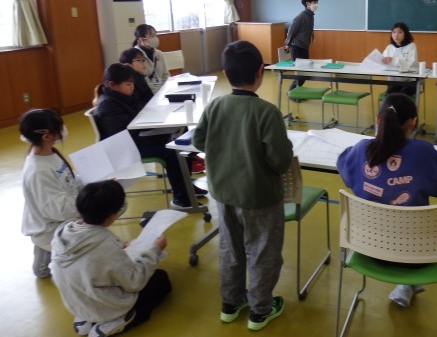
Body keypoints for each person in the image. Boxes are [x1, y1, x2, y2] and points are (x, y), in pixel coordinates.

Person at [193, 41, 293, 331]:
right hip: (260, 197)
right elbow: (280, 161)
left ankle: (230, 303)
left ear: (225, 73)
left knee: (230, 249)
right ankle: (260, 310)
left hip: (223, 194)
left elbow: (199, 141)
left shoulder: (216, 105)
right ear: (260, 71)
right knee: (263, 253)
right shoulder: (267, 112)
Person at [337, 93, 437, 308]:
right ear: (413, 122)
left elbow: (345, 168)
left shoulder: (361, 150)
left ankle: (406, 286)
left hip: (368, 249)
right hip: (418, 255)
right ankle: (406, 284)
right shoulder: (422, 153)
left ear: (378, 120)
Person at [51, 180, 171, 337]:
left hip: (76, 302)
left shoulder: (63, 233)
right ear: (112, 216)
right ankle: (118, 319)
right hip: (106, 305)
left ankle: (86, 319)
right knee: (161, 280)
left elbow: (87, 263)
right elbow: (134, 282)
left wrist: (119, 249)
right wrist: (155, 250)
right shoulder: (105, 245)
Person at [92, 63, 207, 209]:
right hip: (126, 148)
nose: (132, 87)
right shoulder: (108, 106)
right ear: (112, 85)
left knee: (181, 131)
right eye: (128, 84)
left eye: (132, 83)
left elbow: (139, 116)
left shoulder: (123, 96)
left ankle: (186, 184)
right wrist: (158, 133)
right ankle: (181, 198)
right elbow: (125, 135)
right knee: (173, 149)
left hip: (137, 139)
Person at [20, 109, 81, 279]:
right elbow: (56, 210)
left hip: (64, 210)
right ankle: (45, 250)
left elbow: (69, 179)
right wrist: (89, 200)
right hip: (50, 225)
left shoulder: (49, 154)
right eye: (59, 127)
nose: (63, 130)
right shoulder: (38, 171)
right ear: (47, 136)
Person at [284, 0, 318, 91]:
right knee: (302, 74)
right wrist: (287, 44)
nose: (316, 5)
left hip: (304, 47)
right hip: (297, 47)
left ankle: (295, 93)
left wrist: (312, 34)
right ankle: (291, 92)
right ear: (308, 4)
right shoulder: (301, 16)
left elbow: (308, 28)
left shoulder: (311, 16)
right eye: (314, 2)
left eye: (317, 2)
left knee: (304, 73)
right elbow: (291, 31)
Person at [381, 22, 418, 95]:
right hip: (393, 81)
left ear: (405, 34)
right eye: (394, 32)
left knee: (402, 95)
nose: (396, 35)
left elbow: (411, 64)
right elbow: (382, 62)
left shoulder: (411, 46)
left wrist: (393, 60)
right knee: (390, 95)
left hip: (409, 81)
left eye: (400, 32)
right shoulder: (389, 47)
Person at [133, 24, 169, 94]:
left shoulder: (159, 53)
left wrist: (166, 89)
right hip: (147, 94)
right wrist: (158, 93)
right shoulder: (135, 57)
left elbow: (166, 74)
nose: (155, 38)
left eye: (155, 35)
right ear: (142, 39)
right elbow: (143, 79)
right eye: (152, 36)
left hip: (163, 92)